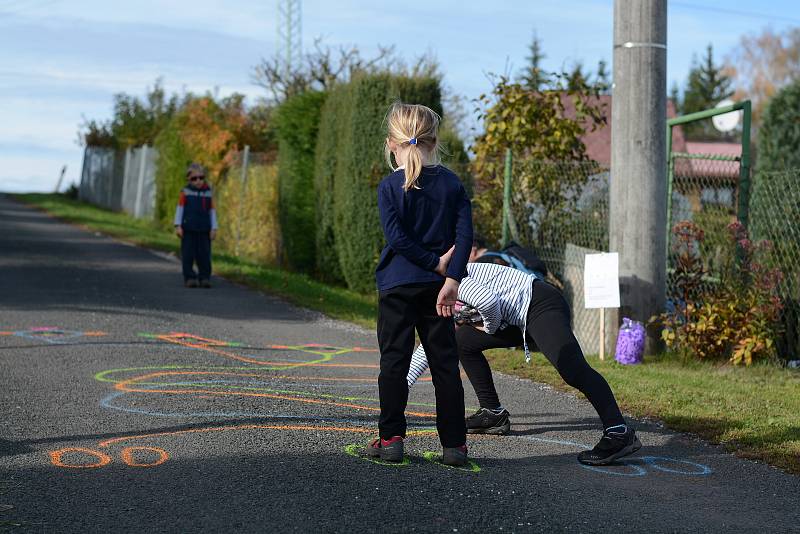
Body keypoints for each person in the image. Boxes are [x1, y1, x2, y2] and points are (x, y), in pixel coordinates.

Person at [406, 251, 641, 466]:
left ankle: (618, 431)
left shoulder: (450, 279)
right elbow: (430, 346)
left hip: (538, 303)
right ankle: (493, 414)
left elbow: (488, 302)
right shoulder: (435, 295)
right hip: (512, 317)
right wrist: (401, 387)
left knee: (572, 369)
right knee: (460, 342)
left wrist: (486, 327)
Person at [367, 102, 473, 467]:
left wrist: (431, 262)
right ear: (435, 140)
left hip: (397, 284)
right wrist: (450, 276)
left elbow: (396, 238)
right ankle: (455, 445)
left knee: (393, 362)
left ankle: (391, 438)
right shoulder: (452, 183)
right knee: (444, 364)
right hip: (438, 290)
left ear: (391, 144)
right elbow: (465, 235)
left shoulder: (389, 187)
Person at [174, 163, 218, 288]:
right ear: (188, 179)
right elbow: (179, 209)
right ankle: (190, 277)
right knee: (188, 254)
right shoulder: (185, 192)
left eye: (201, 177)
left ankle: (204, 277)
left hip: (204, 230)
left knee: (204, 255)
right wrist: (178, 226)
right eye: (194, 178)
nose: (198, 181)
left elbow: (212, 212)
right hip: (188, 229)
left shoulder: (208, 193)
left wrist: (214, 228)